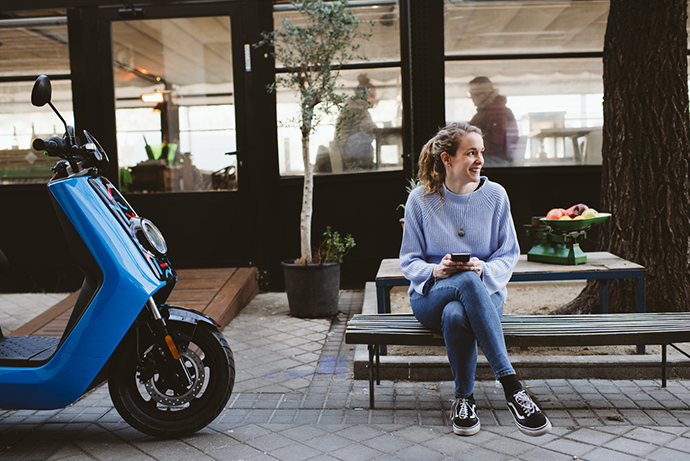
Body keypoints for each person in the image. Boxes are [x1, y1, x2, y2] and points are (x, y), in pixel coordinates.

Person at [399, 122, 551, 437]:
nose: (480, 159)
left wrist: (484, 269)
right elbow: (408, 260)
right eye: (471, 152)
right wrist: (434, 271)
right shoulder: (420, 199)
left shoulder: (495, 195)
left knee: (458, 312)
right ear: (447, 159)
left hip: (487, 294)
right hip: (430, 297)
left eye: (481, 152)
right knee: (464, 283)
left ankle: (464, 400)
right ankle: (512, 388)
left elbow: (508, 254)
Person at [468, 77, 518, 166]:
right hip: (490, 157)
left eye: (474, 95)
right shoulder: (485, 112)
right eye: (470, 94)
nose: (472, 99)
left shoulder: (496, 112)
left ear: (485, 94)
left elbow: (495, 145)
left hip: (496, 160)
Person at [335, 74, 378, 170]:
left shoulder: (356, 106)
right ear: (363, 95)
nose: (374, 99)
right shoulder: (356, 108)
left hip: (349, 148)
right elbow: (370, 129)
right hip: (351, 151)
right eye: (371, 95)